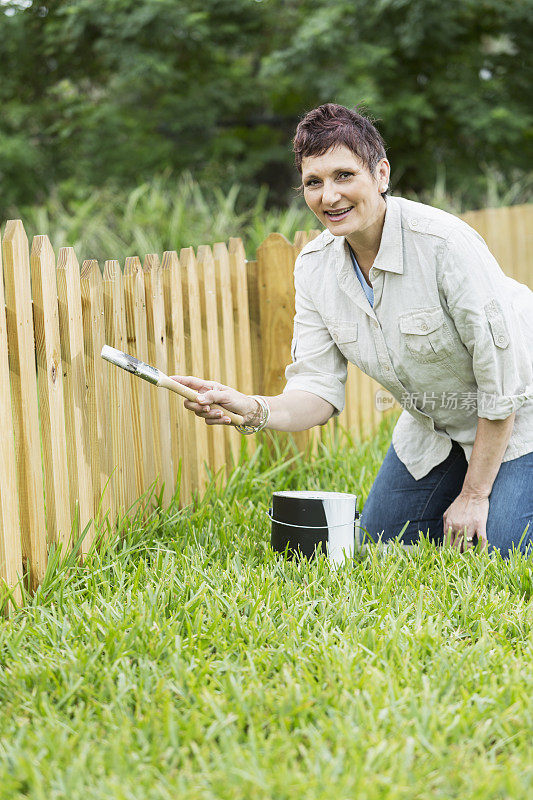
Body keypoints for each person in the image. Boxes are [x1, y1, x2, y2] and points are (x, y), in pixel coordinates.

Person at [172, 103, 533, 558]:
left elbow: (503, 386)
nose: (329, 196)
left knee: (504, 548)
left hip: (521, 416)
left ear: (381, 174)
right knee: (380, 543)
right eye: (313, 182)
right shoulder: (315, 268)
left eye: (344, 175)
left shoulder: (445, 245)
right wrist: (252, 408)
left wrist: (475, 495)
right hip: (437, 428)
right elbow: (318, 391)